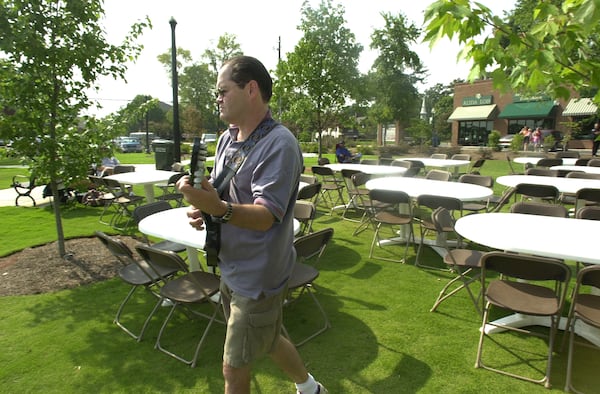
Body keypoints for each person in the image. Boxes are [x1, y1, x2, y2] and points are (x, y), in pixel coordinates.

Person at [177, 56, 327, 394]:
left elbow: (265, 217)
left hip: (259, 275)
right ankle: (311, 389)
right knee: (270, 337)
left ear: (251, 90)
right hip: (232, 265)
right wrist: (205, 208)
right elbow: (221, 194)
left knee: (233, 368)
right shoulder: (226, 140)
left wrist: (218, 207)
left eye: (223, 91)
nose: (217, 98)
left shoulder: (279, 144)